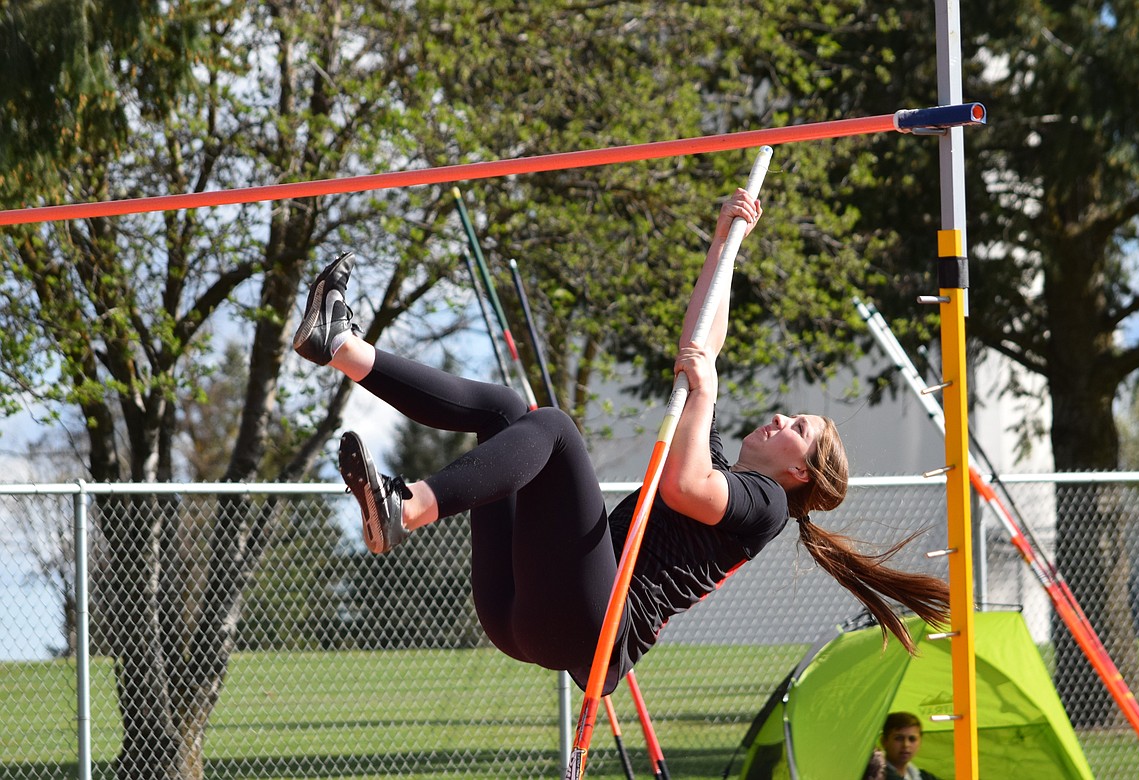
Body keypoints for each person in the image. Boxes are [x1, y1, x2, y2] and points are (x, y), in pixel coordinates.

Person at [292, 188, 950, 693]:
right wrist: (727, 241)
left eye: (797, 430)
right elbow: (701, 345)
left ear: (800, 472)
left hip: (588, 627)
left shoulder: (766, 508)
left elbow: (683, 485)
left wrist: (709, 390)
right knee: (503, 411)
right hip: (523, 613)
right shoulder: (726, 468)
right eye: (792, 415)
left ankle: (406, 509)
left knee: (552, 428)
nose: (781, 419)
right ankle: (341, 345)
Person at [865, 712, 943, 780]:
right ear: (884, 741)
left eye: (912, 739)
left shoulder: (924, 776)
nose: (906, 745)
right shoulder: (873, 775)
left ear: (920, 742)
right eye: (898, 738)